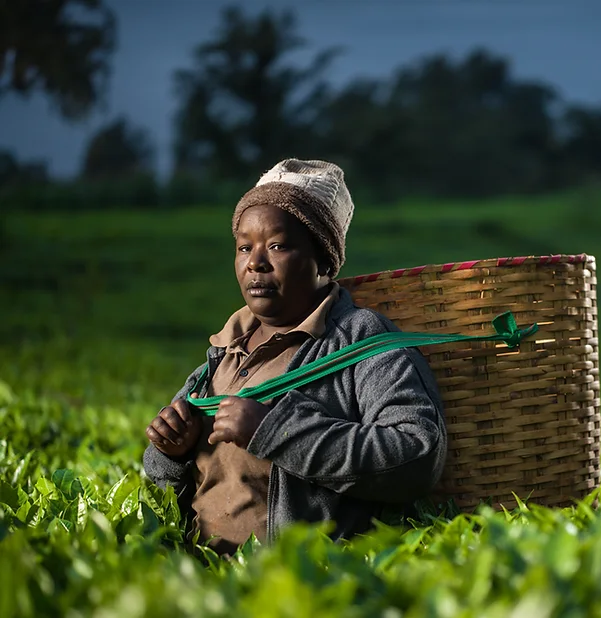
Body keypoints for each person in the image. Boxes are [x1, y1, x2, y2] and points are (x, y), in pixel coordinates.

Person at [142, 158, 447, 556]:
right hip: (198, 576)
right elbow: (168, 480)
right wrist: (169, 453)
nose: (256, 262)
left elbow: (417, 454)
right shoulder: (222, 353)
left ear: (323, 260)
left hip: (300, 579)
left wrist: (277, 431)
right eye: (244, 247)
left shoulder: (361, 339)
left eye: (278, 246)